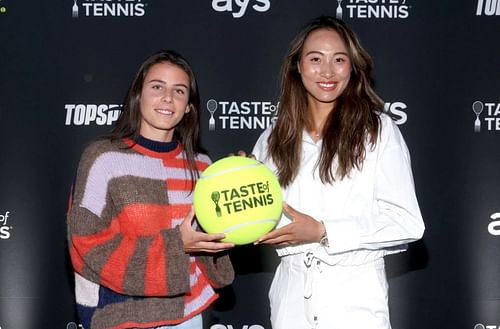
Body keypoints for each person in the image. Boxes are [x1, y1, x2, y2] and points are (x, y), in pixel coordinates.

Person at [251, 16, 425, 329]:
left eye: (339, 60)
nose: (328, 72)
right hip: (290, 302)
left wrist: (324, 231)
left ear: (353, 67)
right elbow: (258, 220)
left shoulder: (379, 131)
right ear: (298, 67)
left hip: (355, 303)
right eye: (315, 59)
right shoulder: (272, 138)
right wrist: (239, 182)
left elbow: (407, 222)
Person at [67, 50, 235, 329]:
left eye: (179, 91)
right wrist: (176, 244)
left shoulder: (204, 166)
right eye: (157, 87)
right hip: (123, 318)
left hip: (190, 316)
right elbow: (85, 243)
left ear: (189, 106)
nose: (168, 98)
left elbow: (215, 239)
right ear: (138, 95)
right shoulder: (102, 157)